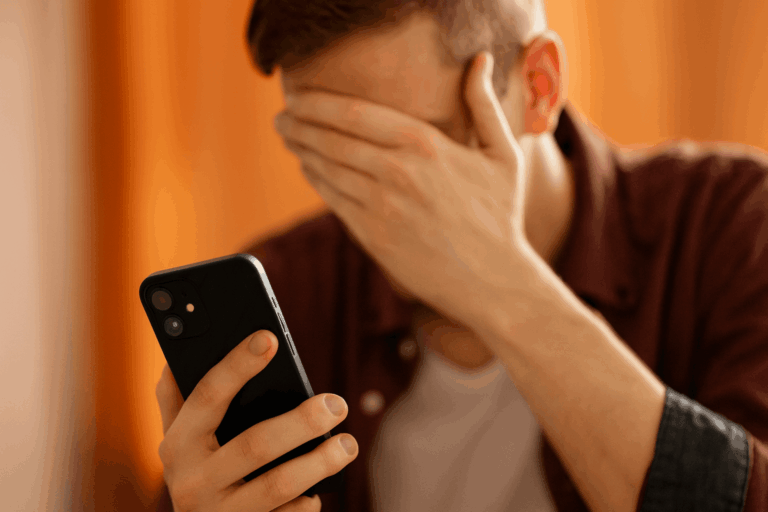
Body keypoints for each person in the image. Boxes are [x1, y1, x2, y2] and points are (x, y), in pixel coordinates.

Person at [153, 1, 768, 511]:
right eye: (331, 158)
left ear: (538, 87)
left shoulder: (735, 224)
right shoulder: (291, 291)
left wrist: (501, 282)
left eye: (405, 151)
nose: (372, 206)